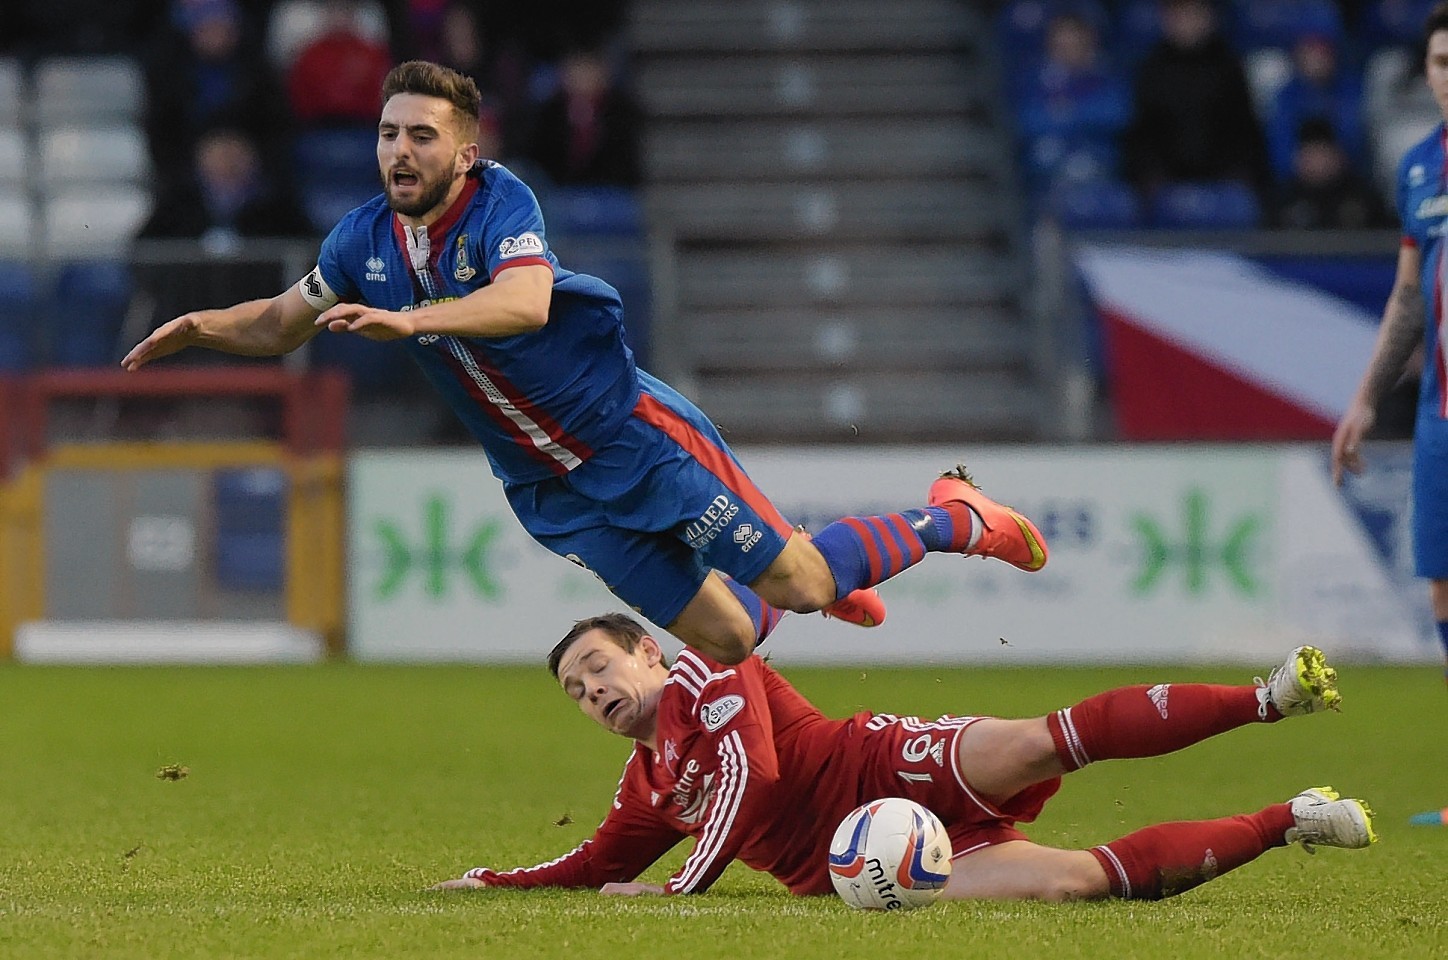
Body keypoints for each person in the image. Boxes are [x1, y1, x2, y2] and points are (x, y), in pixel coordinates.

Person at [119, 60, 1051, 665]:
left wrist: (413, 325)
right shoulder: (361, 238)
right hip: (546, 486)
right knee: (729, 639)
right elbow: (283, 322)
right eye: (388, 134)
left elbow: (525, 303)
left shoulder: (500, 204)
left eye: (421, 136)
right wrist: (202, 323)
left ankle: (953, 518)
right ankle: (808, 577)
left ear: (465, 150)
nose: (399, 152)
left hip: (633, 440)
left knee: (800, 585)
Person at [431, 613, 1376, 900]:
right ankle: (1288, 818)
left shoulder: (713, 668)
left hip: (882, 769)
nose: (591, 691)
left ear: (643, 650)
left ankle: (1266, 698)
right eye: (574, 690)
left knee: (1042, 742)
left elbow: (755, 776)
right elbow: (593, 865)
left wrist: (680, 892)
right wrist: (489, 881)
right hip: (867, 866)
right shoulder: (649, 786)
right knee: (1079, 887)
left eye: (597, 665)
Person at [1332, 1, 1448, 684]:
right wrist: (1366, 398)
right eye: (1440, 63)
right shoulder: (1418, 168)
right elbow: (1408, 296)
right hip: (1440, 417)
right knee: (1441, 589)